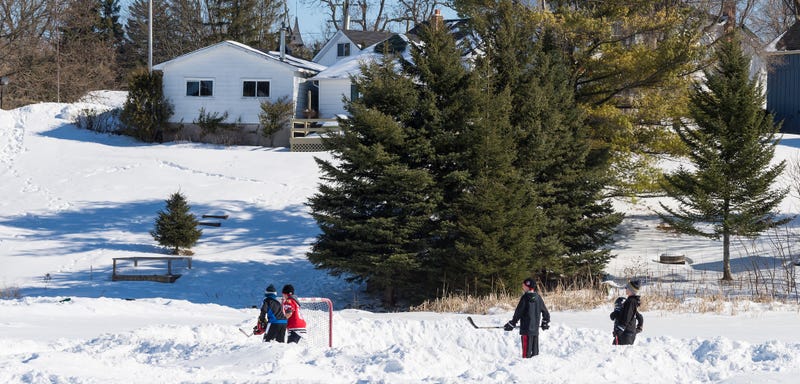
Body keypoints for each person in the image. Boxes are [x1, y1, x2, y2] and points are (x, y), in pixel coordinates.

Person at [504, 277, 550, 358]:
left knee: (526, 355)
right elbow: (545, 312)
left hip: (526, 331)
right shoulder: (538, 298)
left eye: (524, 285)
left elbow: (518, 312)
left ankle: (525, 368)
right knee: (535, 354)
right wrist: (545, 322)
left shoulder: (525, 298)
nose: (522, 287)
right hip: (535, 331)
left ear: (528, 286)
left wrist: (512, 323)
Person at [610, 279, 644, 345]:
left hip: (626, 334)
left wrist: (620, 329)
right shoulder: (632, 301)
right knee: (615, 350)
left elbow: (627, 317)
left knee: (620, 353)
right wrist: (639, 327)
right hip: (628, 333)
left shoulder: (630, 302)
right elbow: (639, 316)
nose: (625, 288)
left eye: (627, 287)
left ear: (631, 290)